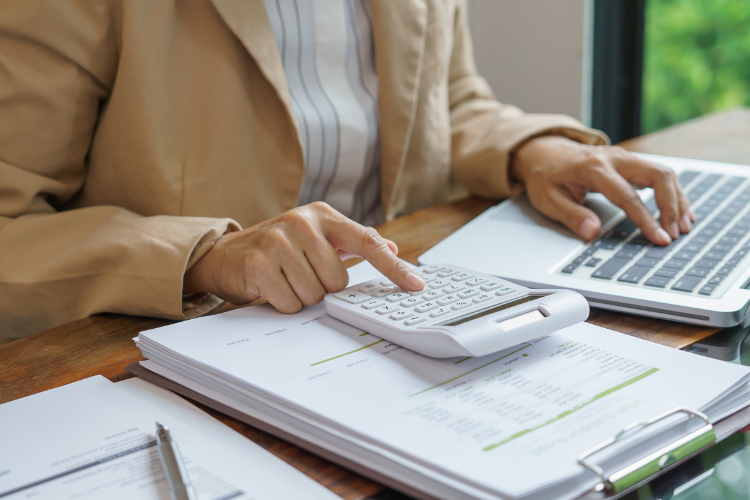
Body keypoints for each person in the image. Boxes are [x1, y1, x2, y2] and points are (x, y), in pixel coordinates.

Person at [0, 0, 692, 343]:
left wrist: (533, 150)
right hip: (189, 343)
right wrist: (202, 257)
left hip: (405, 321)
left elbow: (447, 101)